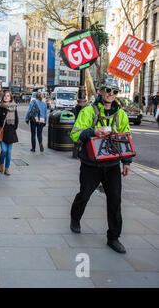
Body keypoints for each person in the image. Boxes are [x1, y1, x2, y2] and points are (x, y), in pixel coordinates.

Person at [69, 81, 132, 254]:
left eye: (115, 91)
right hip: (91, 164)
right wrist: (92, 132)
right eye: (108, 90)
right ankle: (75, 218)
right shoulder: (88, 111)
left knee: (115, 200)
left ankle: (113, 237)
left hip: (112, 165)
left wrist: (126, 162)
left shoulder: (121, 115)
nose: (111, 94)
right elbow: (74, 134)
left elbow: (126, 138)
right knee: (84, 194)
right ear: (100, 91)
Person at [0, 91, 18, 175]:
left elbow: (17, 119)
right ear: (3, 97)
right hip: (2, 131)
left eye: (8, 96)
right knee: (4, 150)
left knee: (9, 151)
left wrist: (14, 127)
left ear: (11, 97)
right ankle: (1, 163)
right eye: (5, 96)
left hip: (11, 130)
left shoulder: (14, 107)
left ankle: (7, 168)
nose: (6, 97)